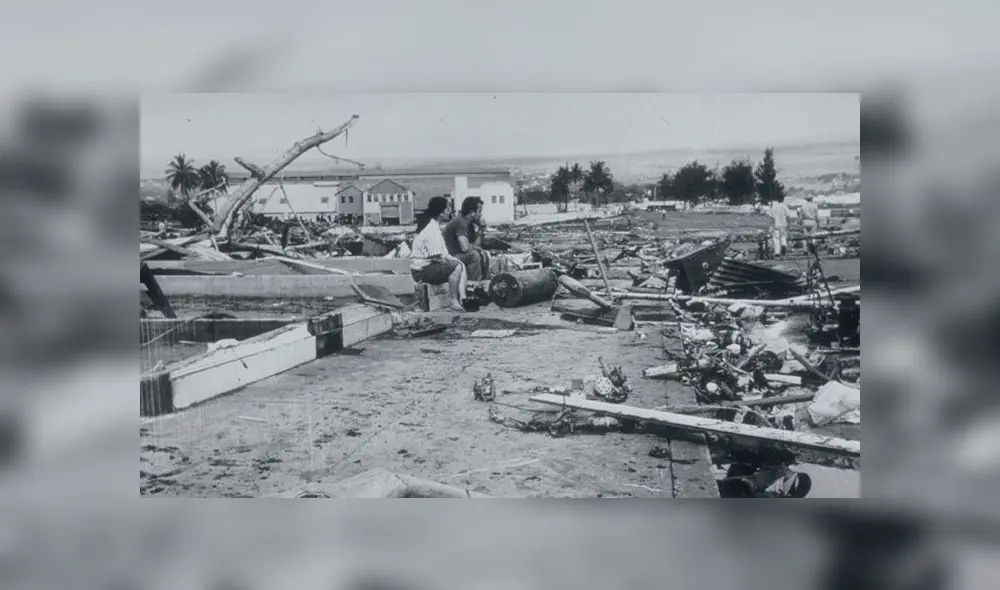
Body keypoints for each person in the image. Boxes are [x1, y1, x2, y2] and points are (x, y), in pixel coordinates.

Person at [409, 196, 466, 312]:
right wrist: (453, 264)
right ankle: (453, 301)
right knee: (455, 267)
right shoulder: (432, 231)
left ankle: (462, 298)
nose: (449, 211)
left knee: (459, 264)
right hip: (421, 271)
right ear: (441, 213)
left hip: (427, 267)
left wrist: (456, 262)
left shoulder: (434, 227)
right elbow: (436, 258)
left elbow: (443, 254)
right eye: (448, 209)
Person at [443, 197, 490, 281]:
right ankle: (472, 286)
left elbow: (475, 245)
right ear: (472, 212)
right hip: (449, 257)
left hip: (457, 255)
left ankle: (483, 283)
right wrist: (478, 249)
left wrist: (481, 230)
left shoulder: (470, 224)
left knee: (483, 254)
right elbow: (465, 247)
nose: (481, 215)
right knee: (474, 255)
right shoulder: (460, 222)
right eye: (479, 211)